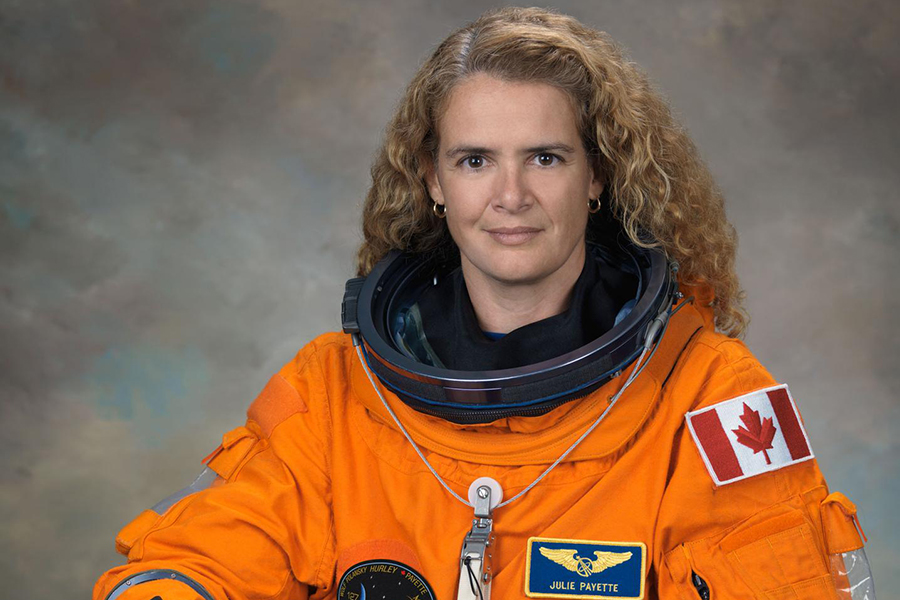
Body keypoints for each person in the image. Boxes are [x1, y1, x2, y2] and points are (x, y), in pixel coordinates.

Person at [93, 7, 875, 600]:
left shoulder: (712, 398)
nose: (510, 197)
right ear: (434, 181)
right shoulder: (334, 396)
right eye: (475, 160)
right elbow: (199, 560)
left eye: (545, 157)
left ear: (597, 177)